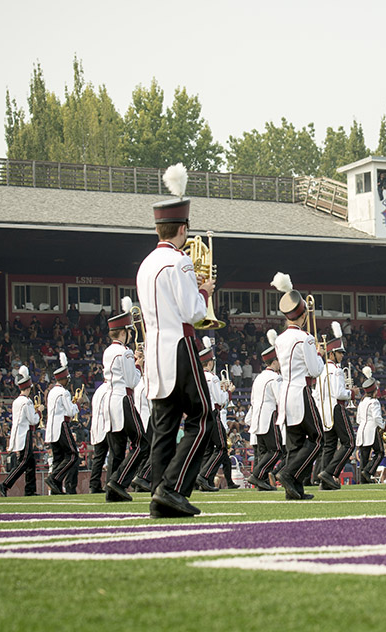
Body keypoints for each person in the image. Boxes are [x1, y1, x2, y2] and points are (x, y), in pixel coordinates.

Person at [136, 164, 216, 518]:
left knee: (164, 426)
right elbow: (194, 314)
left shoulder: (145, 264)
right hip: (179, 347)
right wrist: (203, 289)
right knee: (203, 416)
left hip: (154, 350)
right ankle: (172, 488)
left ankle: (158, 495)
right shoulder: (179, 261)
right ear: (183, 228)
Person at [271, 272, 324, 501]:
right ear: (303, 314)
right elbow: (316, 370)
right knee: (318, 437)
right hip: (301, 390)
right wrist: (319, 355)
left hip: (286, 393)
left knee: (295, 443)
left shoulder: (280, 339)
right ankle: (289, 473)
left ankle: (294, 489)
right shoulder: (305, 338)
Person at [103, 308, 149, 501]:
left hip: (110, 399)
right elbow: (133, 380)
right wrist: (138, 365)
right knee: (142, 443)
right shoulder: (125, 352)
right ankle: (118, 481)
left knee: (117, 448)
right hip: (124, 398)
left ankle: (112, 490)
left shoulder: (108, 350)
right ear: (124, 332)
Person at [315, 323, 354, 490]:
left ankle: (325, 480)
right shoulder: (336, 370)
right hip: (336, 408)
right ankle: (330, 473)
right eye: (339, 353)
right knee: (349, 442)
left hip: (324, 409)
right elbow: (339, 393)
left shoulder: (321, 369)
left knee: (329, 445)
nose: (342, 356)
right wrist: (351, 393)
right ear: (331, 353)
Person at [246, 331, 281, 491]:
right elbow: (280, 399)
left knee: (264, 451)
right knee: (276, 450)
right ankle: (257, 474)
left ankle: (261, 480)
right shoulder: (274, 378)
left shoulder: (259, 377)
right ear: (274, 361)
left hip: (257, 417)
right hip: (269, 416)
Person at [0, 366, 41, 497]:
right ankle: (5, 484)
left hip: (19, 433)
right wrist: (39, 411)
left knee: (30, 463)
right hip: (25, 433)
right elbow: (33, 420)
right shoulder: (26, 402)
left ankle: (30, 490)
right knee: (23, 462)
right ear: (28, 389)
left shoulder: (16, 401)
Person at [196, 338, 232, 492]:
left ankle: (206, 481)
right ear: (210, 363)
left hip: (200, 415)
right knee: (222, 448)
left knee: (208, 449)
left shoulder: (197, 377)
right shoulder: (212, 378)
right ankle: (204, 476)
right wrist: (228, 391)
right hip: (213, 413)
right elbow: (220, 401)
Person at [44, 356, 79, 496]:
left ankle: (56, 488)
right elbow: (70, 411)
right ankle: (54, 478)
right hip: (61, 425)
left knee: (58, 458)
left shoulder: (52, 391)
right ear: (64, 379)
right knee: (72, 455)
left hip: (51, 428)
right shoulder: (64, 392)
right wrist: (77, 404)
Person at [355, 367, 384, 483]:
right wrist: (383, 426)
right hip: (372, 429)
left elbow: (358, 419)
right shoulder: (374, 402)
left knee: (364, 456)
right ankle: (368, 471)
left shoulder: (362, 402)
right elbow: (377, 417)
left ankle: (363, 480)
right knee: (380, 452)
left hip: (361, 430)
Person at [88, 381, 111, 495]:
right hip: (105, 425)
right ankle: (110, 482)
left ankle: (94, 484)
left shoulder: (98, 390)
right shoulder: (108, 389)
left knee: (98, 457)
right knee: (112, 455)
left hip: (97, 425)